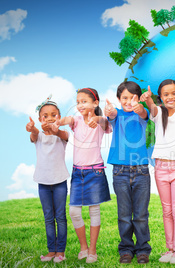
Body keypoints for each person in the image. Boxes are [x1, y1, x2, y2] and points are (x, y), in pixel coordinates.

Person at [140, 79, 175, 264]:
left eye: (174, 93)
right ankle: (170, 248)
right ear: (160, 97)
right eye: (166, 94)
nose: (170, 97)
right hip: (161, 168)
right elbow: (151, 108)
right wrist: (147, 99)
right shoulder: (158, 113)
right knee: (167, 210)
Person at [60, 88, 112, 263]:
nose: (80, 105)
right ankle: (83, 247)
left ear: (95, 103)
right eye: (78, 102)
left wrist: (96, 119)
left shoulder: (100, 121)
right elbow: (66, 119)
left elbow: (105, 123)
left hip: (95, 171)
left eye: (84, 101)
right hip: (77, 172)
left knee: (93, 210)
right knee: (74, 211)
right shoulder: (75, 121)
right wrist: (55, 122)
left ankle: (92, 250)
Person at [104, 81, 151, 264]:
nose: (128, 101)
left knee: (140, 214)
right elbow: (113, 113)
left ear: (138, 98)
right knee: (124, 214)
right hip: (120, 171)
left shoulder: (142, 114)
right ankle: (125, 249)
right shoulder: (117, 115)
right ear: (118, 99)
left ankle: (142, 250)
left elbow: (142, 112)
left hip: (141, 171)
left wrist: (140, 106)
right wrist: (110, 110)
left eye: (133, 98)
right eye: (124, 98)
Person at [26, 96, 69, 263]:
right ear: (39, 119)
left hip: (60, 182)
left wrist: (55, 129)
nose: (49, 118)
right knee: (48, 217)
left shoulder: (62, 135)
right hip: (43, 183)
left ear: (59, 117)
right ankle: (51, 250)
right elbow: (34, 134)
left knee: (60, 216)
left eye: (53, 115)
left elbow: (63, 134)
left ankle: (61, 252)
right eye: (45, 116)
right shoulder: (38, 136)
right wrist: (33, 128)